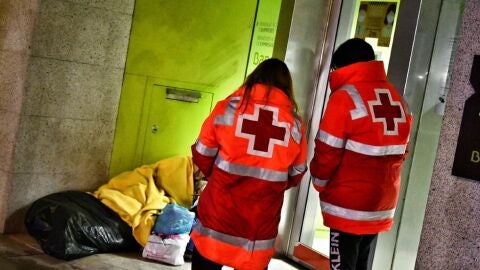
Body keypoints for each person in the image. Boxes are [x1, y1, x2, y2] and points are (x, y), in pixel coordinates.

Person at [190, 58, 308, 270]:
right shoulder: (294, 123)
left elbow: (201, 152)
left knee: (207, 259)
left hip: (220, 209)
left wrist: (217, 177)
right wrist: (272, 185)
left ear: (255, 77)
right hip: (261, 218)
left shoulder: (227, 108)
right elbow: (297, 171)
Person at [310, 38, 412, 270]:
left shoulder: (344, 97)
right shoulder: (396, 97)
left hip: (349, 203)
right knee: (360, 264)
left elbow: (327, 151)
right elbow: (401, 152)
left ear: (343, 66)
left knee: (342, 265)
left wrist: (319, 182)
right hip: (381, 202)